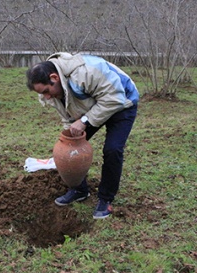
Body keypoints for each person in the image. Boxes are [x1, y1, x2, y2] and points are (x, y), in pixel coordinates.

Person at [26, 52, 138, 219]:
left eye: (46, 91)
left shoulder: (84, 73)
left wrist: (85, 120)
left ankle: (105, 199)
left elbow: (114, 99)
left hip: (122, 102)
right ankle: (79, 190)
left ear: (54, 77)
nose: (46, 96)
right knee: (71, 145)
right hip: (94, 104)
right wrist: (70, 132)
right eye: (42, 94)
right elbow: (67, 115)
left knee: (112, 149)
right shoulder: (53, 91)